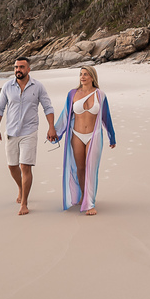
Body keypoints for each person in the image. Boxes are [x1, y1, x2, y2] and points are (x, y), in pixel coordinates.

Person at [0, 56, 57, 215]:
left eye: (21, 67)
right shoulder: (7, 86)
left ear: (28, 69)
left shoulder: (38, 86)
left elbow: (48, 107)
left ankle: (24, 203)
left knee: (25, 166)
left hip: (29, 131)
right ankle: (21, 187)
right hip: (11, 132)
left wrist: (51, 127)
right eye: (16, 67)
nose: (18, 70)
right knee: (12, 166)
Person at [54, 65, 115, 215]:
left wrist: (111, 136)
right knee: (80, 168)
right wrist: (55, 132)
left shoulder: (100, 94)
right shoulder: (72, 94)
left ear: (92, 77)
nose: (82, 77)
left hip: (94, 135)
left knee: (91, 168)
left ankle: (90, 204)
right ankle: (83, 195)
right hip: (77, 135)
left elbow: (106, 117)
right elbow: (65, 115)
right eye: (81, 74)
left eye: (86, 74)